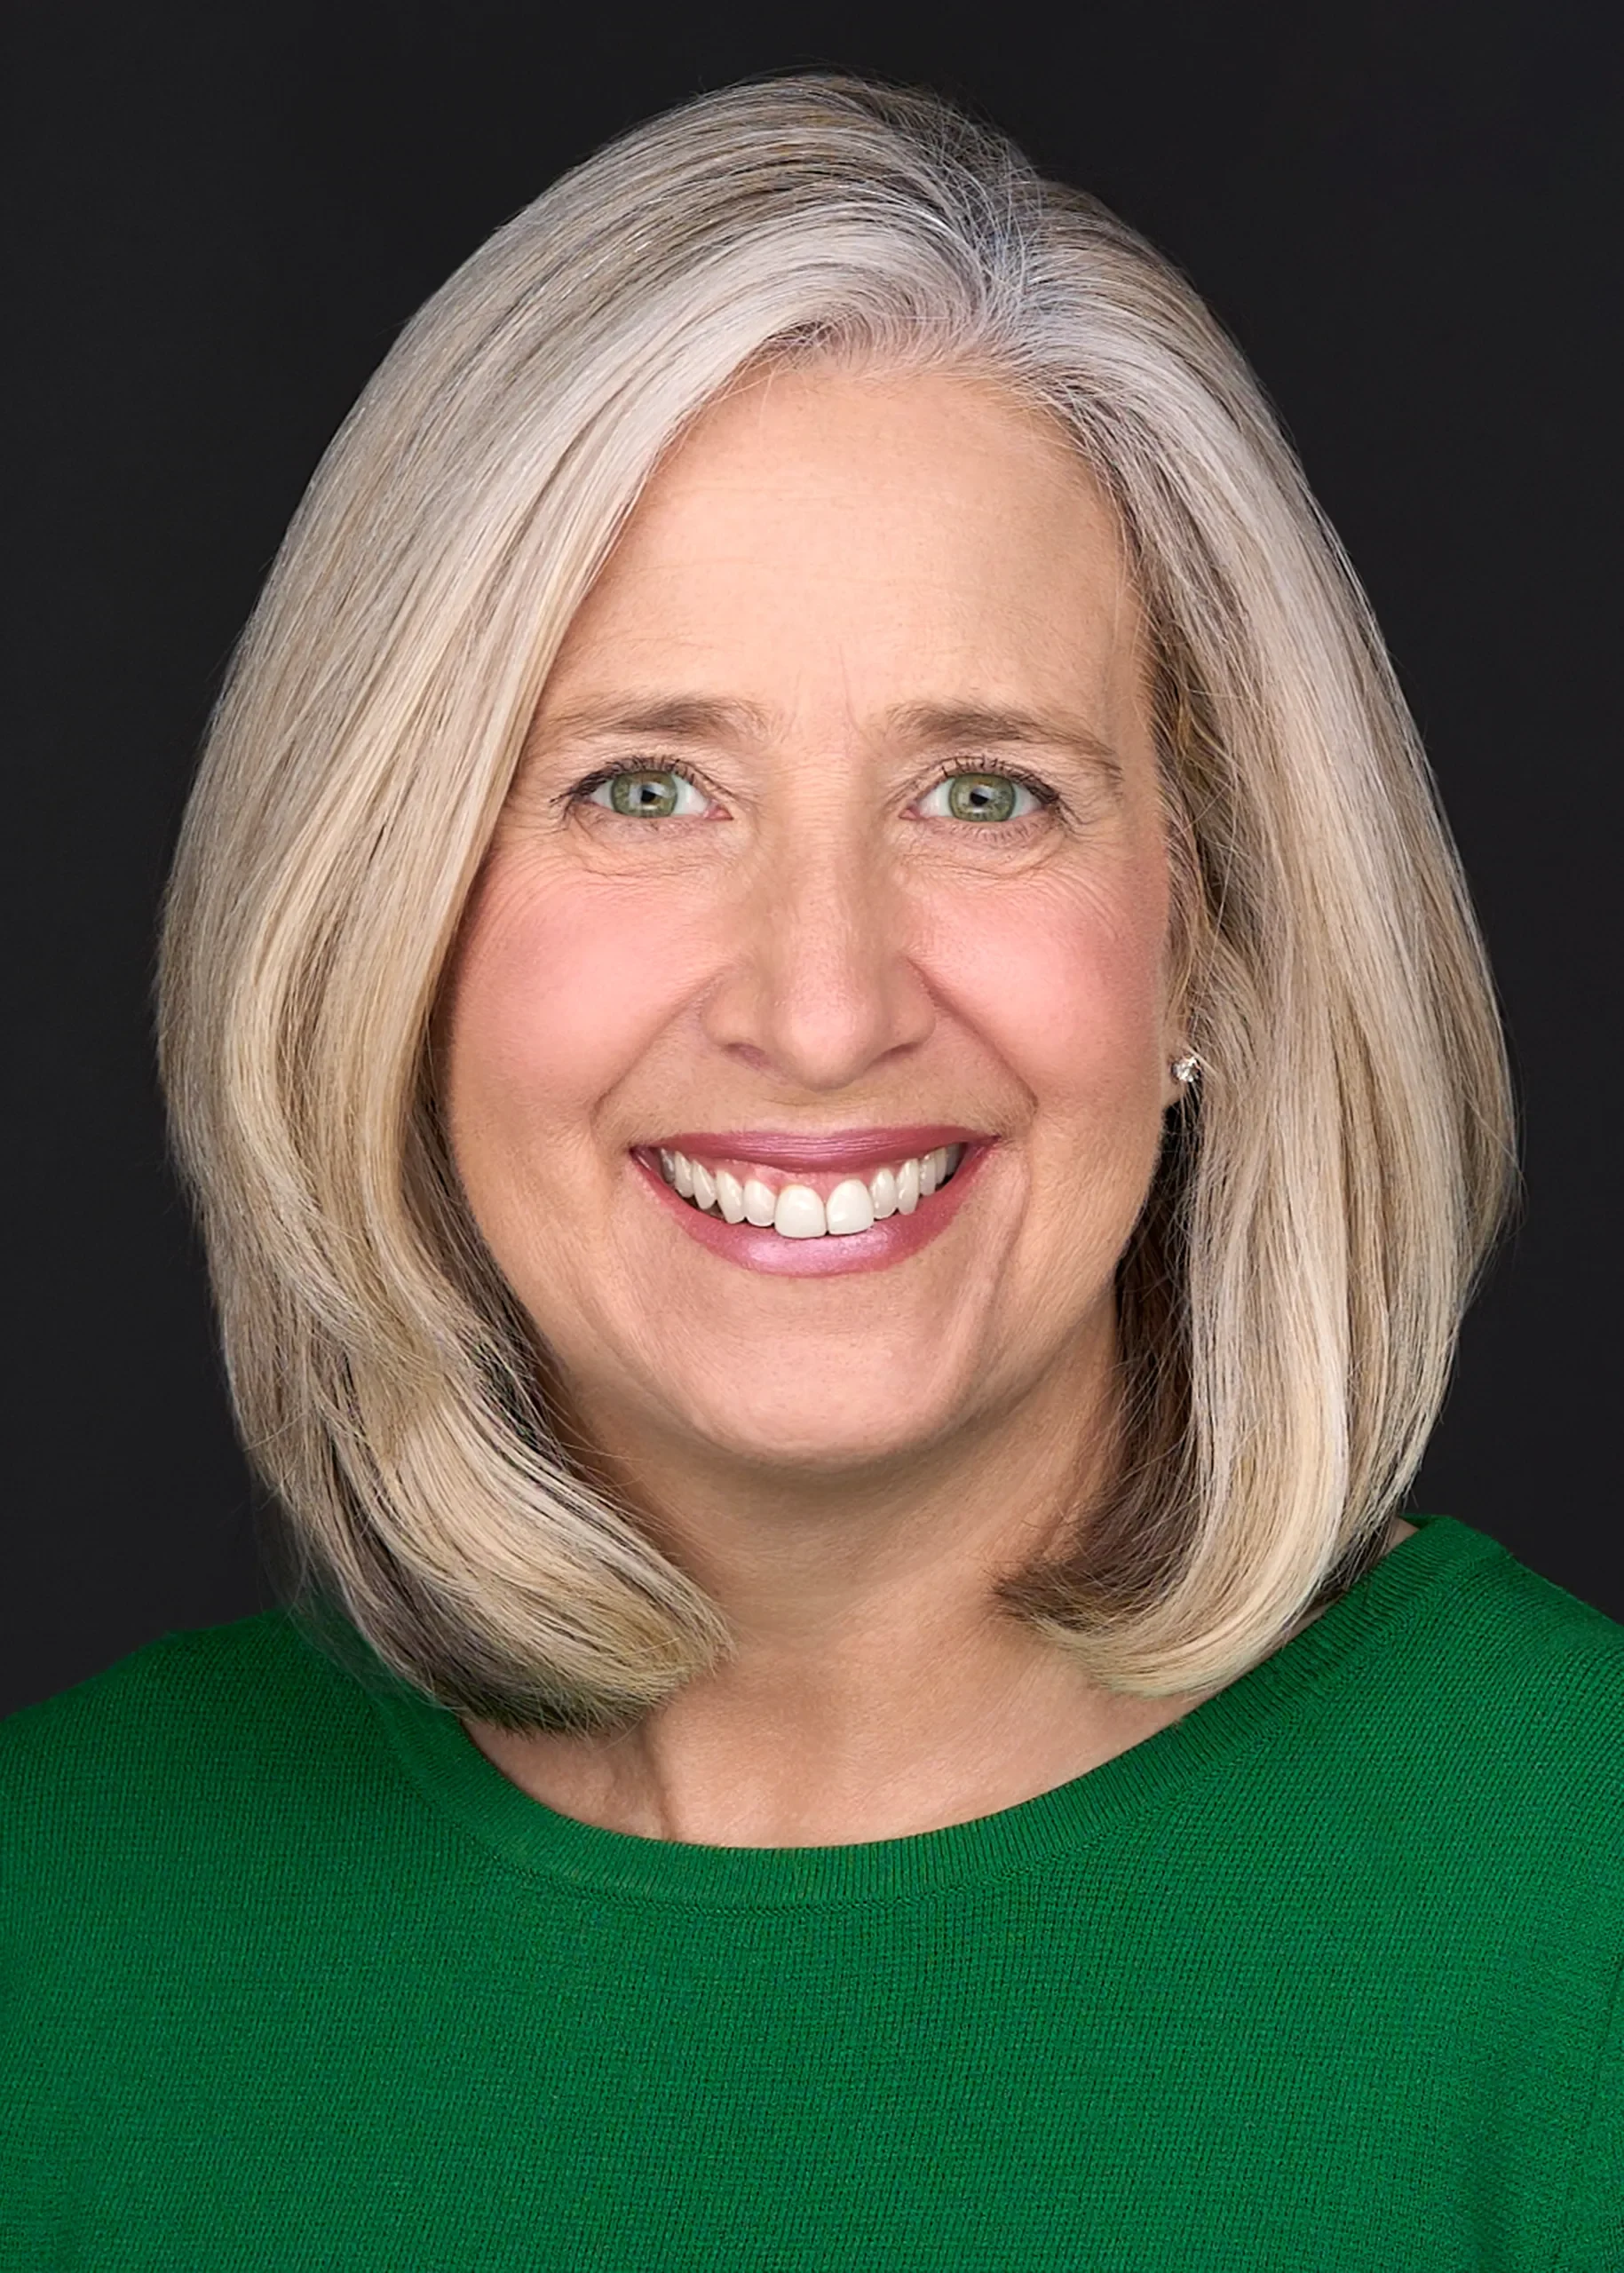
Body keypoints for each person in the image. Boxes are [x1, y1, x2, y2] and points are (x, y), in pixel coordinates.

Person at [4, 75, 1619, 2270]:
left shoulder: (1571, 1903)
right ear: (385, 925)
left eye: (985, 793)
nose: (823, 998)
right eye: (644, 788)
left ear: (1208, 940)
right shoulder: (65, 1930)